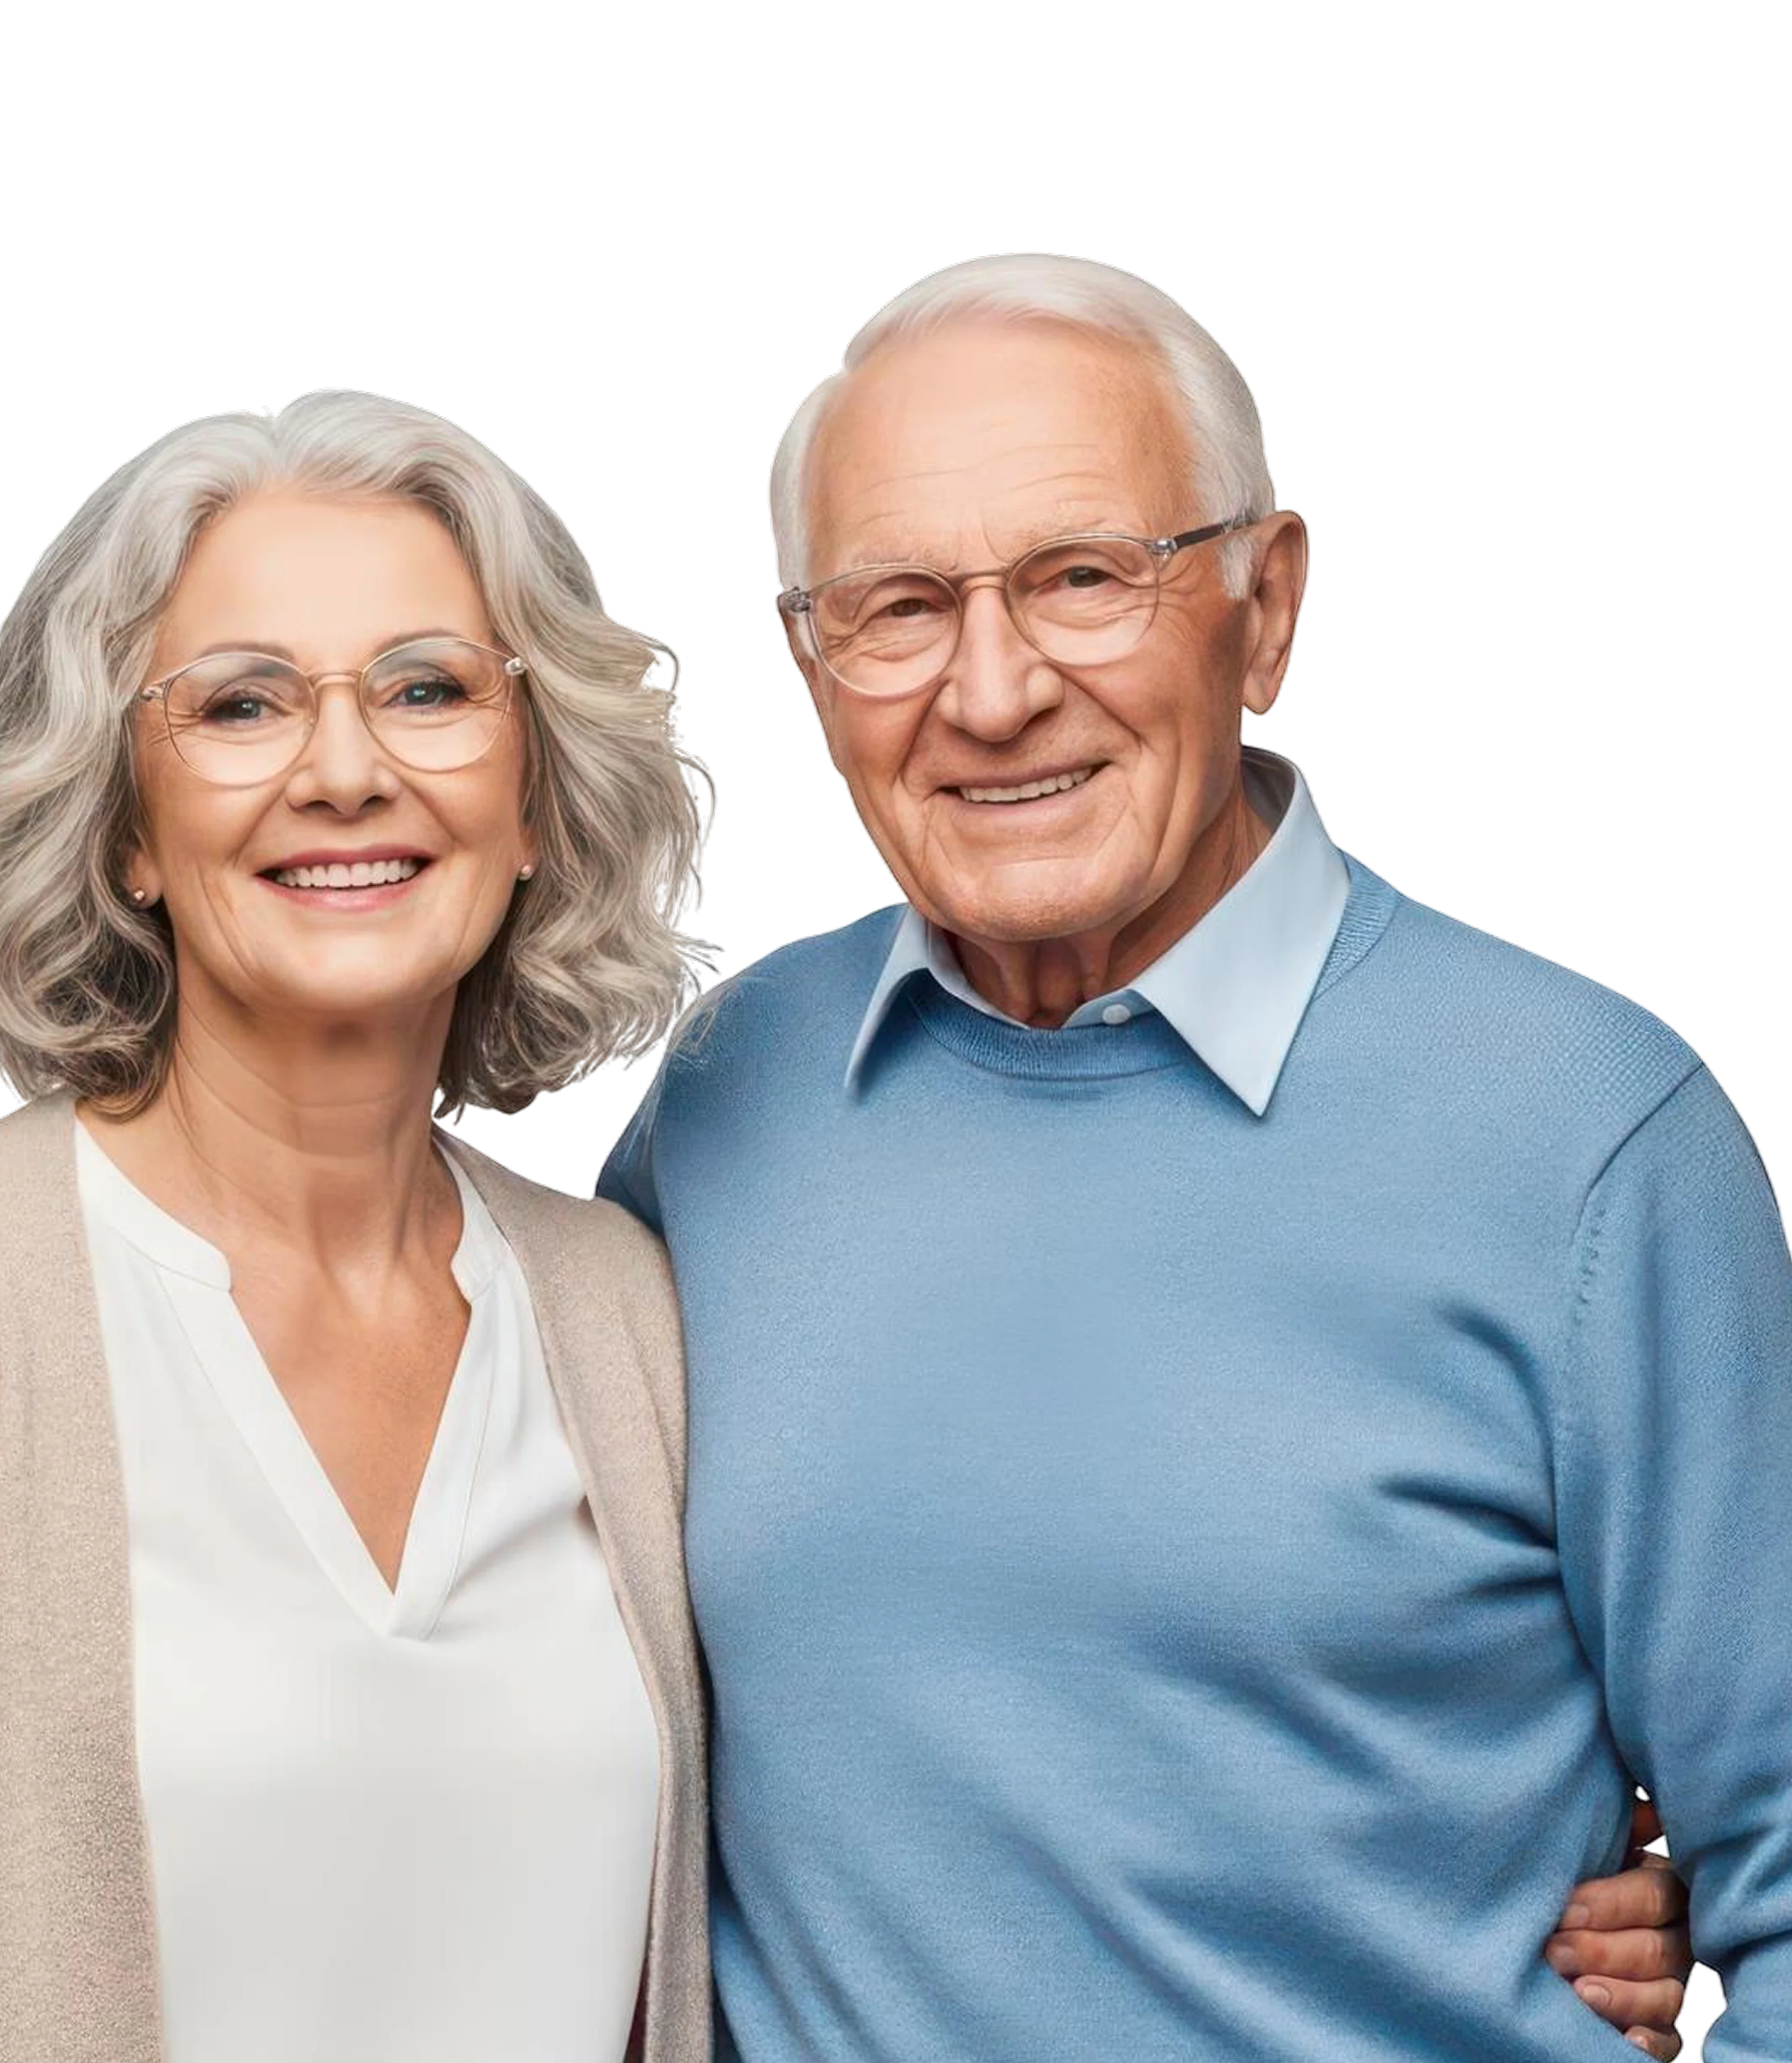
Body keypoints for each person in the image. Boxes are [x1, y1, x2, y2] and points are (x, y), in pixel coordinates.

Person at [591, 251, 1781, 2059]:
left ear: (1267, 601)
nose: (992, 693)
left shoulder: (1595, 1143)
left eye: (1083, 578)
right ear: (810, 669)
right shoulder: (723, 1098)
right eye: (899, 606)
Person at [0, 389, 717, 2059]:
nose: (346, 769)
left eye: (428, 688)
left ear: (534, 795)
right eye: (242, 704)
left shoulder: (631, 1318)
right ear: (121, 829)